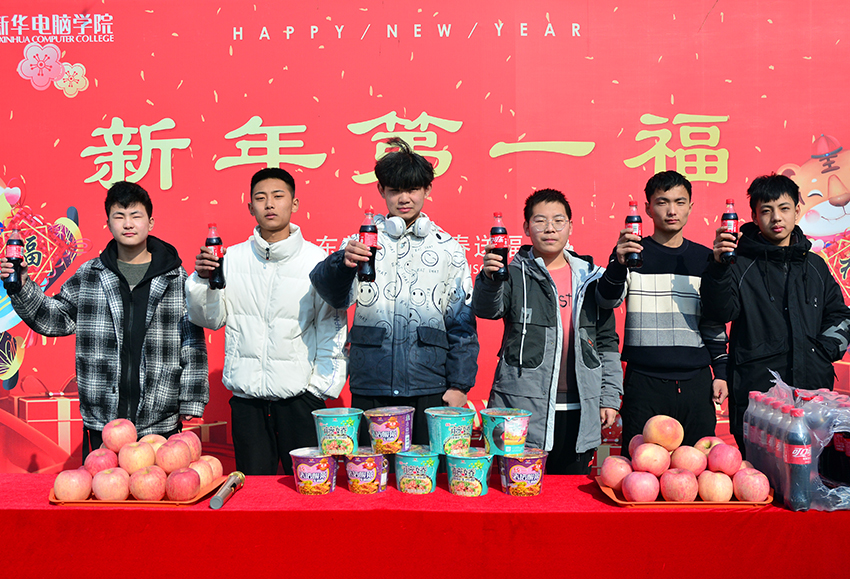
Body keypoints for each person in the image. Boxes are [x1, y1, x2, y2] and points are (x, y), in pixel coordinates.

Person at [0, 181, 209, 458]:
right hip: (102, 421)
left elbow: (192, 342)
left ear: (150, 222)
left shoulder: (176, 277)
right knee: (102, 485)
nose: (128, 224)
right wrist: (22, 285)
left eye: (135, 215)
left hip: (160, 422)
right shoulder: (90, 274)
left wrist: (192, 400)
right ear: (108, 223)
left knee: (158, 485)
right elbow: (54, 319)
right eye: (119, 216)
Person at [310, 138, 479, 445]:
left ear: (427, 190)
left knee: (425, 469)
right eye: (394, 190)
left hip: (429, 384)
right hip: (371, 383)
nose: (404, 198)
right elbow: (331, 294)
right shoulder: (361, 242)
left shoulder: (448, 249)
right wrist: (341, 262)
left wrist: (459, 385)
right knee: (370, 470)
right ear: (381, 190)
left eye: (412, 189)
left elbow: (462, 323)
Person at [186, 167, 347, 475]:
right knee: (254, 493)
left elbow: (333, 329)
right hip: (247, 403)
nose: (269, 204)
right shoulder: (230, 259)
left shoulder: (317, 261)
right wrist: (203, 280)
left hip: (300, 401)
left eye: (278, 196)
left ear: (294, 203)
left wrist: (318, 390)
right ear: (250, 207)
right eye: (260, 198)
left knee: (307, 488)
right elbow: (210, 319)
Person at [472, 189, 622, 474]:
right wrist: (490, 279)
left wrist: (610, 397)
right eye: (540, 221)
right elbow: (488, 310)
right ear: (526, 227)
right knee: (517, 488)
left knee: (571, 493)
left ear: (571, 226)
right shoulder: (512, 273)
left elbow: (606, 342)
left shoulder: (591, 278)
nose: (550, 228)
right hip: (521, 410)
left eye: (558, 220)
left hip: (580, 410)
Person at [702, 173, 850, 454]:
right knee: (758, 476)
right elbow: (718, 311)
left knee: (811, 474)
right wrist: (718, 268)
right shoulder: (738, 264)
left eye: (784, 208)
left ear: (797, 210)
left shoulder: (815, 266)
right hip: (759, 401)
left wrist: (823, 351)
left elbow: (841, 315)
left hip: (813, 397)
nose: (776, 218)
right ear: (754, 217)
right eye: (766, 211)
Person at [596, 170, 728, 457]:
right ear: (647, 209)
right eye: (662, 202)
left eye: (680, 202)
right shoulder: (631, 254)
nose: (671, 211)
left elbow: (713, 322)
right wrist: (618, 264)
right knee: (641, 468)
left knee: (698, 467)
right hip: (644, 382)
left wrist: (721, 372)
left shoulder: (705, 258)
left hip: (696, 383)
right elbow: (605, 300)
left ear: (690, 207)